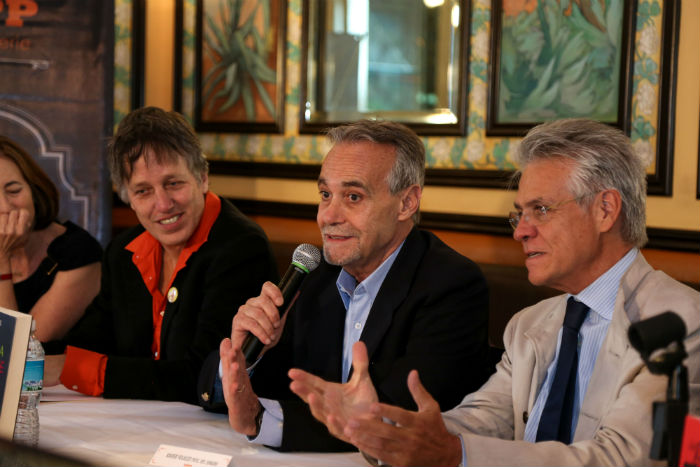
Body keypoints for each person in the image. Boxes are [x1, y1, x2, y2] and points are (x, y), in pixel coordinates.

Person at [289, 118, 700, 466]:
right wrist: (381, 426)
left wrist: (452, 453)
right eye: (518, 214)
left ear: (605, 210)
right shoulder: (531, 325)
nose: (521, 230)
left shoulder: (682, 322)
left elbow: (622, 458)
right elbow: (479, 422)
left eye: (540, 209)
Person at [201, 120, 491, 452]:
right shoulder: (316, 274)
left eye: (353, 196)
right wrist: (243, 359)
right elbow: (282, 386)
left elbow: (391, 415)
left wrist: (261, 420)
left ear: (407, 203)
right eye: (325, 194)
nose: (328, 215)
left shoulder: (452, 286)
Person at [44, 107, 278, 403]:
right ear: (127, 198)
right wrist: (40, 358)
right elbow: (90, 340)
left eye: (173, 183)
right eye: (143, 191)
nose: (163, 204)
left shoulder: (241, 249)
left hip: (216, 433)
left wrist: (71, 368)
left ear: (202, 178)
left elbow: (203, 378)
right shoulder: (123, 253)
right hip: (142, 424)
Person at [0, 136, 102, 355]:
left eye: (14, 190)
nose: (5, 207)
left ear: (34, 192)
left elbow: (17, 354)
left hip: (55, 385)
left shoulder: (77, 251)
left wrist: (1, 260)